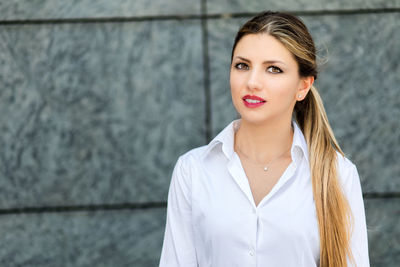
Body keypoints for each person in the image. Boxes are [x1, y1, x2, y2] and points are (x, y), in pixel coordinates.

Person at [159, 11, 369, 267]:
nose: (252, 82)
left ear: (303, 86)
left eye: (273, 69)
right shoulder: (192, 170)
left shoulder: (337, 174)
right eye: (242, 66)